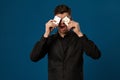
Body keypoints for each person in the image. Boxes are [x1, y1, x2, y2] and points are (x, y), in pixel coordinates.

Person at [30, 4, 101, 80]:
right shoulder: (49, 39)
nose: (62, 23)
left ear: (71, 20)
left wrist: (80, 33)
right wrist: (46, 34)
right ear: (55, 21)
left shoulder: (79, 38)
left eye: (65, 19)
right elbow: (34, 57)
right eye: (59, 20)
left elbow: (96, 55)